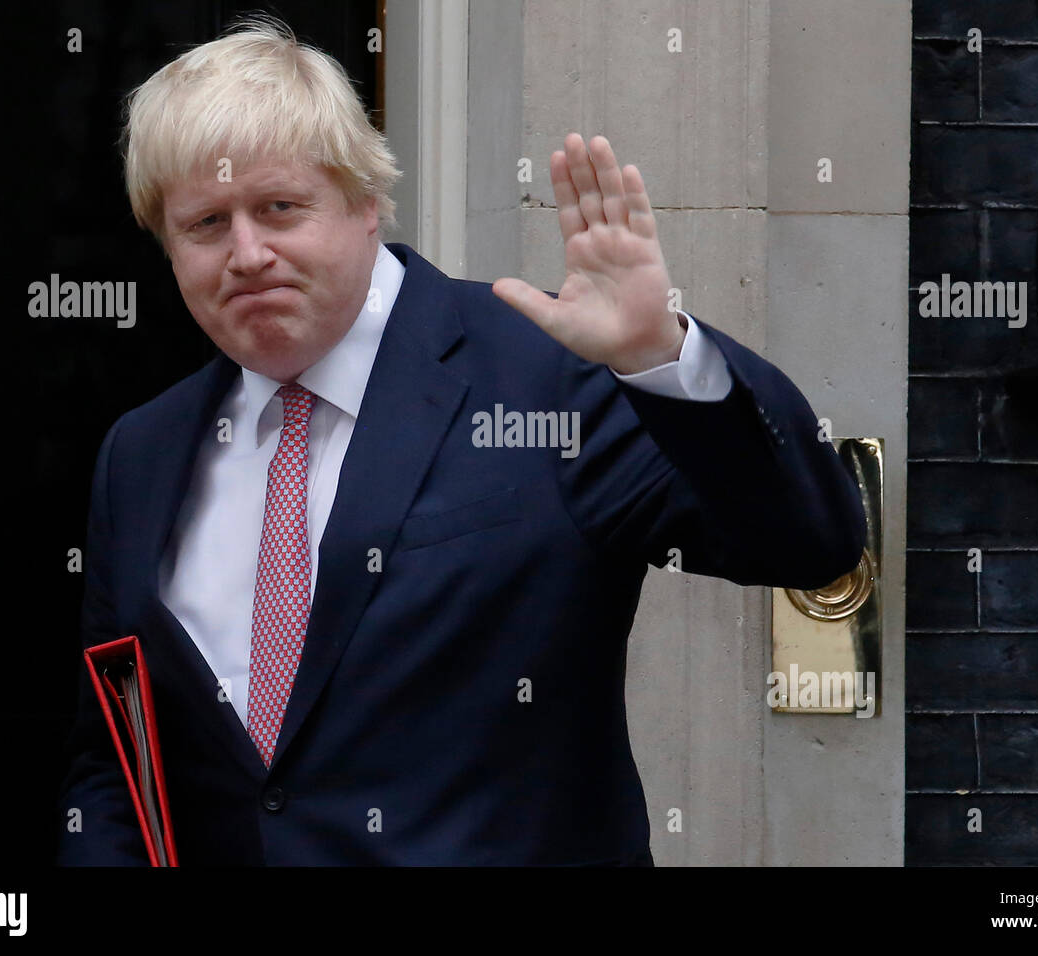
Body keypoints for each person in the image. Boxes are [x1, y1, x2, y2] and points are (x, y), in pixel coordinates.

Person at [56, 15, 866, 866]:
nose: (248, 253)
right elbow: (117, 759)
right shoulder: (140, 454)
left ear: (365, 202)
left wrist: (659, 356)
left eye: (280, 208)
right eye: (208, 224)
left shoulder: (547, 378)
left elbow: (810, 541)